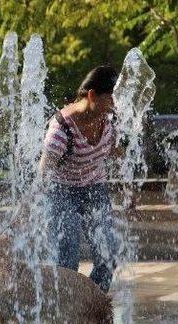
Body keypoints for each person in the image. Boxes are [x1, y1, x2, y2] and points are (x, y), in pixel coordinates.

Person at [39, 65, 121, 294]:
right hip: (61, 192)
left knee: (109, 256)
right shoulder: (61, 128)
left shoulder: (110, 121)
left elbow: (120, 155)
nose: (115, 105)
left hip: (95, 188)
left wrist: (129, 190)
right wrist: (30, 209)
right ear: (92, 95)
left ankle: (86, 306)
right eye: (111, 99)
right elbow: (44, 171)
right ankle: (64, 323)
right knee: (66, 260)